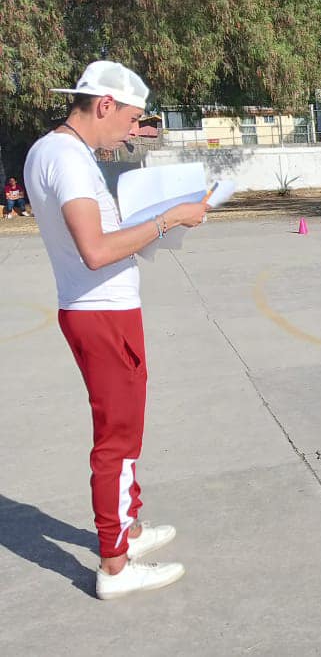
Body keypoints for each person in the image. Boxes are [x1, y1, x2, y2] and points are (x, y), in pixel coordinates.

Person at [24, 61, 209, 600]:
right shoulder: (70, 160)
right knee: (119, 441)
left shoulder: (53, 150)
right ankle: (115, 565)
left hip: (96, 310)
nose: (133, 131)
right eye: (131, 119)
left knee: (122, 434)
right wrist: (168, 219)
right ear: (104, 104)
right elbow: (97, 250)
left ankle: (126, 527)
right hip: (101, 313)